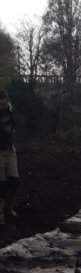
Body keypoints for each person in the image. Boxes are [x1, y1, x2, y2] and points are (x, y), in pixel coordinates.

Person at [0, 90, 19, 223]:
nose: (3, 106)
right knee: (1, 185)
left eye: (4, 104)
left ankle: (8, 207)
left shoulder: (9, 111)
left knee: (14, 180)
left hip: (10, 150)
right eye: (0, 104)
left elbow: (13, 127)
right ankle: (0, 213)